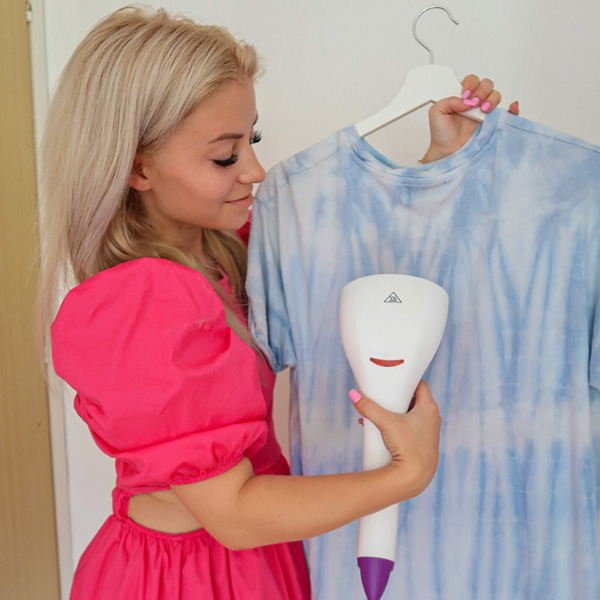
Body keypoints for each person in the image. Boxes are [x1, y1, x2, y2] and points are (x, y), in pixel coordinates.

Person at [38, 6, 516, 599]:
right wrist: (405, 475)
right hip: (192, 579)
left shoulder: (224, 249)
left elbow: (358, 265)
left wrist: (438, 170)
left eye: (252, 140)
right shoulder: (143, 300)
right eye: (225, 155)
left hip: (244, 563)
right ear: (138, 169)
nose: (256, 170)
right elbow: (233, 513)